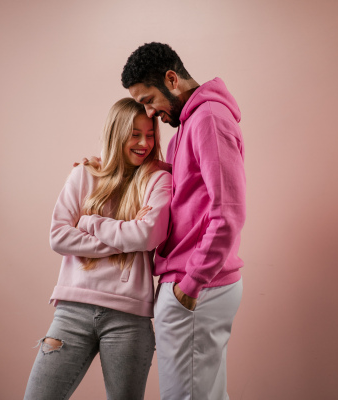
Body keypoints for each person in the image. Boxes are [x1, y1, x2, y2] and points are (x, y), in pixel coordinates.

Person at [24, 98, 172, 400]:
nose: (144, 142)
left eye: (150, 134)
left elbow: (147, 237)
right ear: (116, 133)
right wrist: (124, 237)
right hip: (71, 312)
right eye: (134, 134)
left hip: (129, 318)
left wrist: (90, 221)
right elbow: (58, 237)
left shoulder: (159, 180)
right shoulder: (84, 174)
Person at [122, 42, 246, 400]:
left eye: (148, 100)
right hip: (197, 285)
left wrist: (190, 285)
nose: (149, 111)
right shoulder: (192, 125)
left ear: (172, 80)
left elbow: (229, 212)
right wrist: (107, 166)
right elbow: (182, 186)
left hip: (197, 286)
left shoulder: (208, 119)